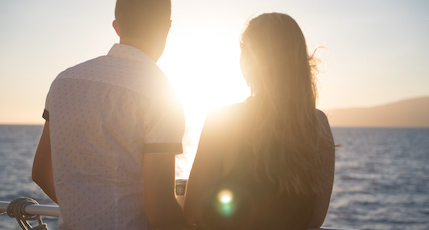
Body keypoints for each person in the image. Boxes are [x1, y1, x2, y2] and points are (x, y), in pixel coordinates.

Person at [32, 0, 186, 229]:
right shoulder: (161, 95)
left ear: (116, 26)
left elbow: (41, 172)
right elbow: (159, 212)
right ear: (167, 28)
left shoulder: (63, 82)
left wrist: (86, 211)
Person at [183, 13, 335, 230]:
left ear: (250, 63)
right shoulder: (318, 125)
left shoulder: (224, 122)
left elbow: (191, 215)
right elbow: (315, 219)